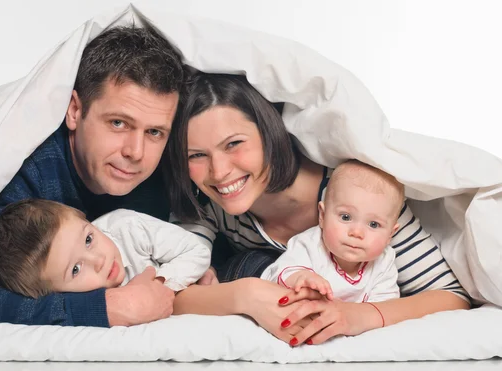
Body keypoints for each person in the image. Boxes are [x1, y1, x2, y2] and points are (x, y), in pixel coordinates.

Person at [166, 73, 470, 347]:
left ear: (268, 134)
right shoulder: (207, 205)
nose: (219, 172)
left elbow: (451, 297)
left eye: (233, 144)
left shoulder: (358, 195)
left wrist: (357, 315)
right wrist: (249, 295)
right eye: (197, 155)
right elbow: (168, 294)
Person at [0, 25, 185, 328]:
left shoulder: (162, 172)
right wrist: (108, 307)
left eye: (154, 132)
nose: (136, 152)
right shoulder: (22, 171)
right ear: (74, 111)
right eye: (118, 123)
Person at [0, 199, 210, 298]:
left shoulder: (127, 227)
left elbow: (197, 251)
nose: (98, 260)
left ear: (87, 221)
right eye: (75, 270)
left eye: (89, 239)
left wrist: (160, 285)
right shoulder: (85, 301)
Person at [261, 160, 404, 305]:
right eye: (345, 217)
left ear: (390, 235)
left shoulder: (384, 261)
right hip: (258, 269)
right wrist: (301, 277)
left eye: (374, 224)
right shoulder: (310, 245)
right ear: (322, 216)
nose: (356, 232)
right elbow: (279, 273)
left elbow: (384, 305)